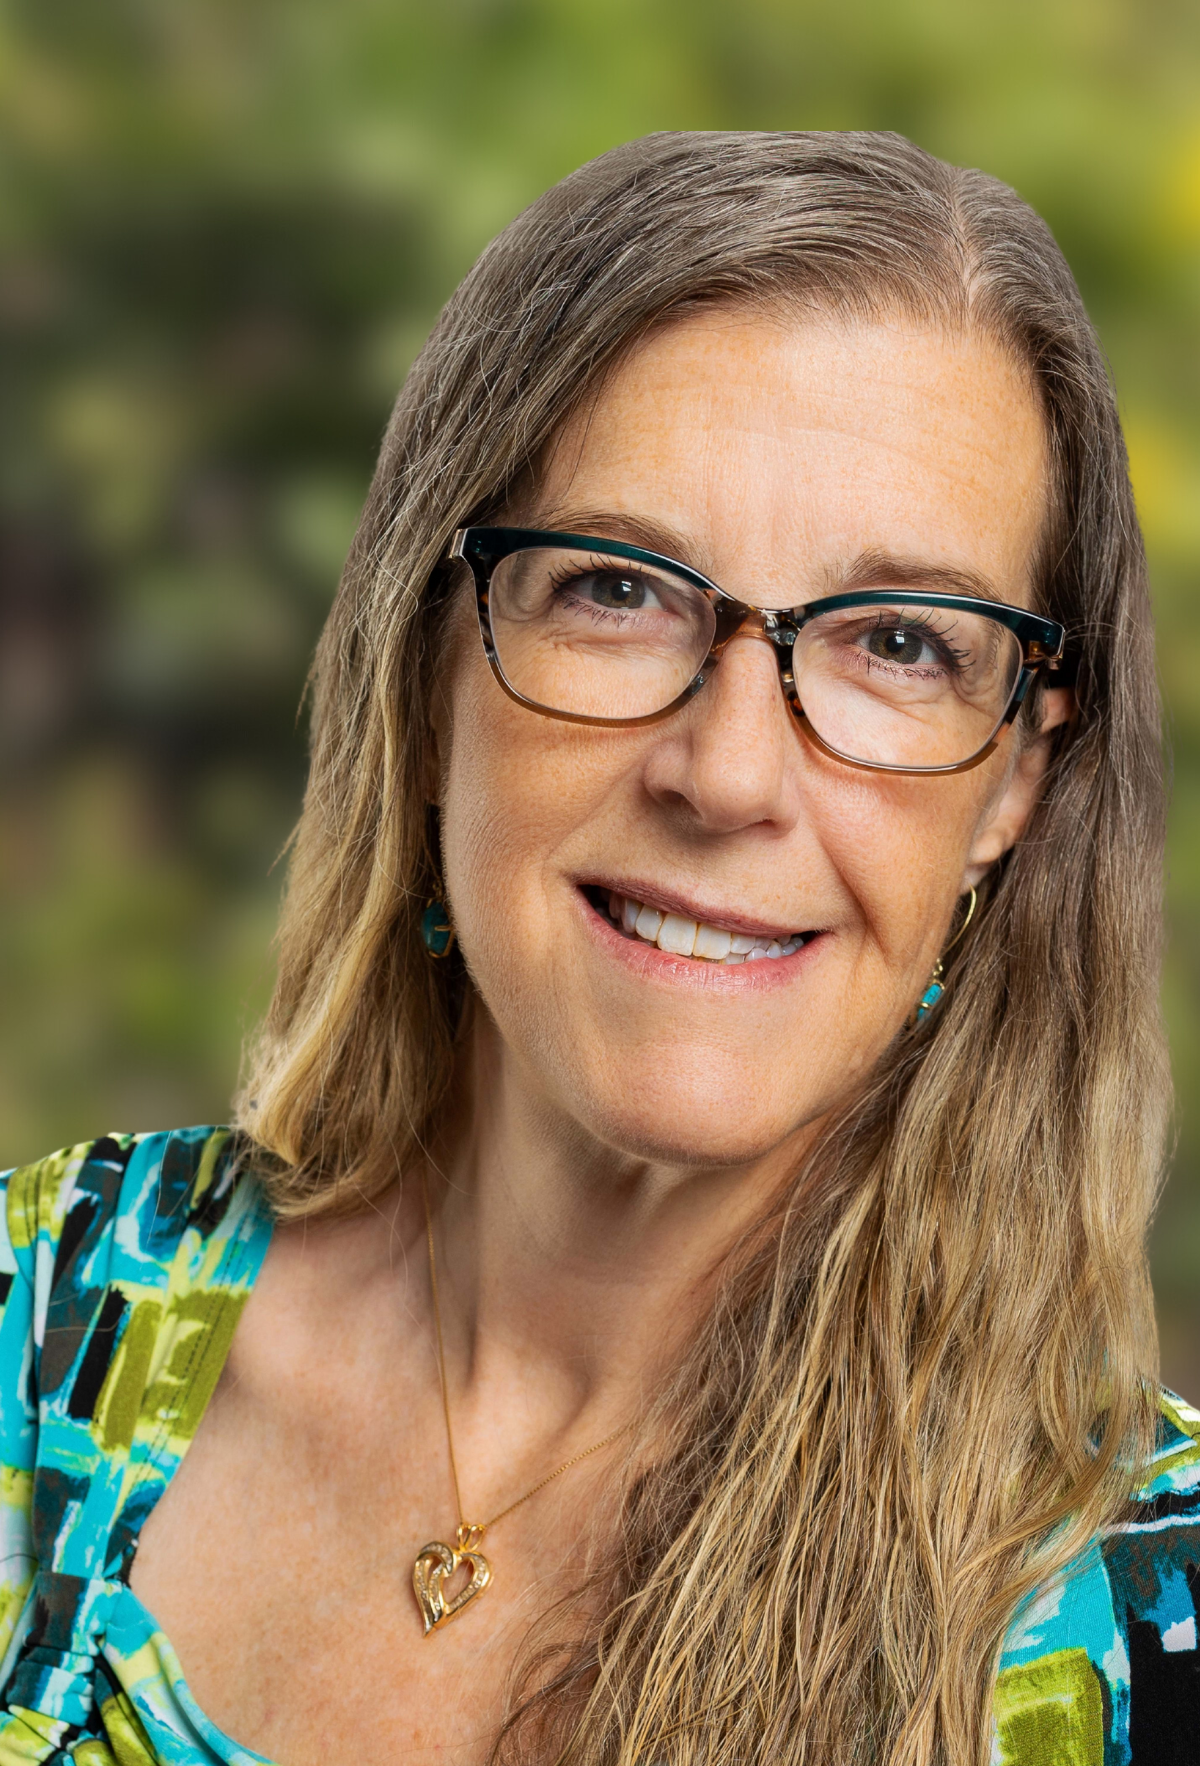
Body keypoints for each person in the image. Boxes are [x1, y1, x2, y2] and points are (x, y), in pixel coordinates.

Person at [0, 129, 1194, 1766]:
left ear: (1012, 786)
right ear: (430, 664)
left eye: (903, 642)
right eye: (621, 591)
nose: (728, 773)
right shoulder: (36, 1332)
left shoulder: (1148, 1627)